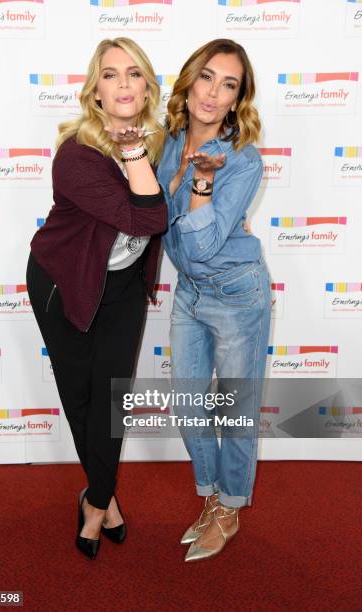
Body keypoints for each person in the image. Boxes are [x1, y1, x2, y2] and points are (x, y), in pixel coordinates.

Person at [26, 37, 167, 561]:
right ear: (96, 92)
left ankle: (96, 499)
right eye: (110, 75)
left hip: (122, 287)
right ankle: (104, 499)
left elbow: (170, 206)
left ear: (147, 86)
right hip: (64, 283)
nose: (124, 83)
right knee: (80, 398)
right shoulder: (77, 155)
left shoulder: (159, 141)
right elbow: (147, 218)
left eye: (134, 73)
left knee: (111, 401)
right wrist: (131, 151)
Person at [157, 39, 271, 562]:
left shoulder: (242, 159)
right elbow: (153, 216)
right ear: (190, 80)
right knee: (189, 402)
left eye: (229, 84)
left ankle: (229, 507)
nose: (214, 92)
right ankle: (211, 497)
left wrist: (201, 183)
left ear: (237, 98)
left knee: (237, 411)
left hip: (236, 294)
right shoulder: (169, 139)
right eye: (208, 77)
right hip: (189, 293)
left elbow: (201, 246)